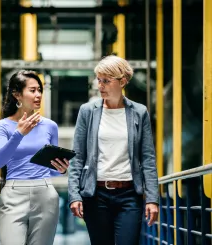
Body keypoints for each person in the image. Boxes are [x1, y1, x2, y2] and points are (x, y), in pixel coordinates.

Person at [68, 55, 159, 245]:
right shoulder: (87, 111)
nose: (100, 86)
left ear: (122, 81)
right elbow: (77, 157)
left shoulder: (139, 112)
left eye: (106, 81)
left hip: (129, 195)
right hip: (96, 195)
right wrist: (74, 195)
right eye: (99, 80)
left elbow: (148, 158)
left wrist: (152, 199)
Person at [0, 70, 69, 245]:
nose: (38, 95)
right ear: (17, 95)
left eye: (40, 90)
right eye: (33, 90)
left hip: (45, 194)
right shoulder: (3, 126)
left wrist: (61, 169)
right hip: (13, 194)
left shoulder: (50, 126)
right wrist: (19, 133)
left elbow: (54, 172)